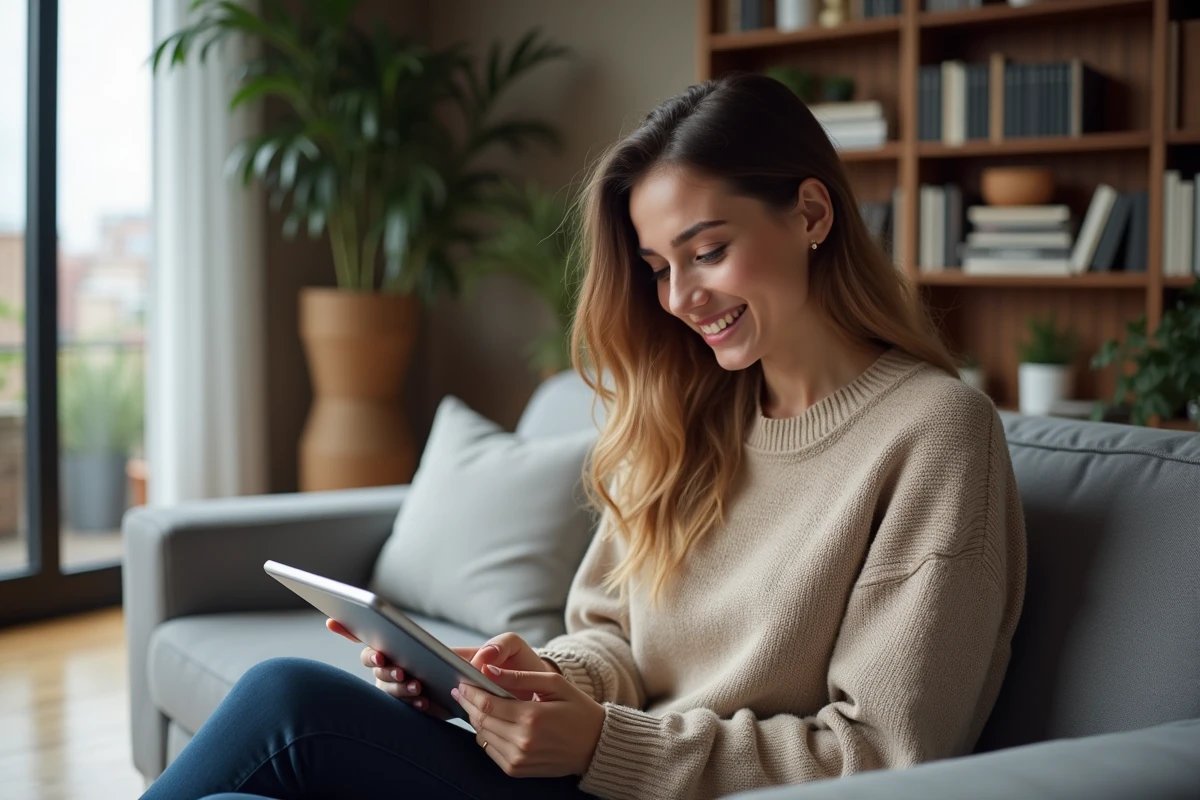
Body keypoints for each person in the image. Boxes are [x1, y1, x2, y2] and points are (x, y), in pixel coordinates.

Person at [141, 71, 1026, 800]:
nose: (679, 299)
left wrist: (606, 745)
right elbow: (610, 637)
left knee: (287, 696)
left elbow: (885, 756)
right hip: (596, 776)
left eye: (707, 251)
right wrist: (519, 683)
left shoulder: (933, 434)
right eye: (657, 269)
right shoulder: (693, 411)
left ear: (810, 215)